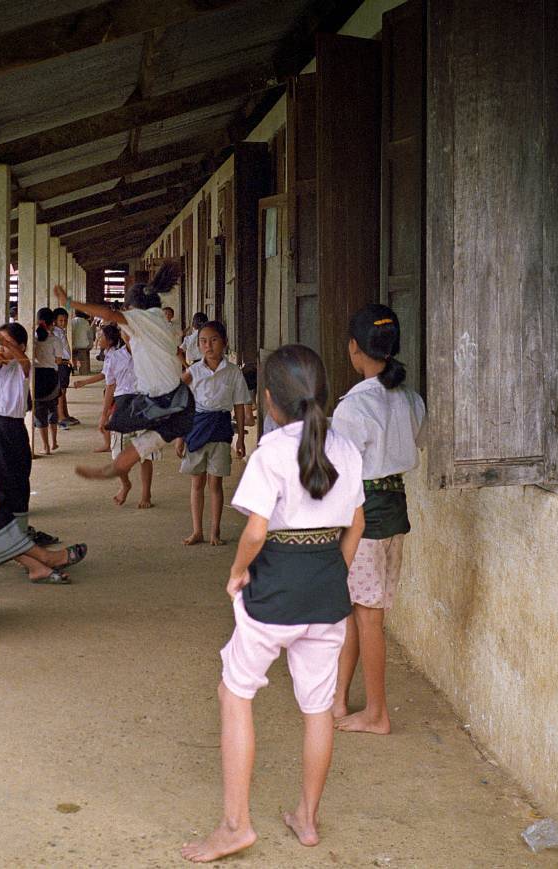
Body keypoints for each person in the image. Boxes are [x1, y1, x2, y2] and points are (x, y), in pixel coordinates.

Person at [180, 344, 366, 864]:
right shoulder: (347, 449)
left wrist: (237, 571)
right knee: (317, 708)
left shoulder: (270, 453)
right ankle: (307, 819)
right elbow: (357, 523)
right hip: (327, 594)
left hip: (272, 594)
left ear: (269, 402)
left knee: (235, 693)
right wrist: (336, 571)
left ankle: (236, 824)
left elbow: (257, 531)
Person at [330, 305, 426, 735]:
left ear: (354, 348)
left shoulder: (353, 407)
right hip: (395, 512)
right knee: (360, 609)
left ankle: (376, 713)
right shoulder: (410, 398)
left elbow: (342, 472)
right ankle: (337, 700)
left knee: (367, 616)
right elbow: (418, 441)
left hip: (363, 518)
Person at [55, 262, 194, 483]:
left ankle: (116, 466)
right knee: (146, 441)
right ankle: (115, 468)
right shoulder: (159, 323)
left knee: (121, 422)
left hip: (160, 399)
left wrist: (70, 303)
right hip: (180, 401)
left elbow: (108, 313)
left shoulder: (142, 319)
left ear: (133, 308)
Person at [0, 323, 87, 583]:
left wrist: (8, 346)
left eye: (6, 343)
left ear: (19, 346)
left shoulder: (20, 367)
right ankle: (18, 551)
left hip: (13, 430)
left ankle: (23, 547)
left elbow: (24, 361)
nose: (0, 348)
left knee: (17, 485)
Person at [178, 321, 252, 546]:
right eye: (203, 341)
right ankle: (197, 530)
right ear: (198, 345)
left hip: (220, 429)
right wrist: (180, 436)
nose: (208, 345)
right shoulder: (193, 371)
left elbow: (239, 405)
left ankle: (215, 531)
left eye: (213, 340)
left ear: (225, 343)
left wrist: (240, 437)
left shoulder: (233, 373)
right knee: (197, 482)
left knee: (215, 484)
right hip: (196, 428)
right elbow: (182, 402)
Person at [75, 325, 157, 508]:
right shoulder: (114, 357)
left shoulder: (149, 355)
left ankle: (146, 494)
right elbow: (110, 386)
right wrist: (104, 415)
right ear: (121, 334)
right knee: (118, 455)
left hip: (145, 406)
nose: (129, 335)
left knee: (146, 454)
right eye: (125, 331)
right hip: (121, 406)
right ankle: (125, 484)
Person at [70, 325, 119, 453]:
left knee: (107, 419)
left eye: (101, 335)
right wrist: (84, 382)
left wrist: (104, 413)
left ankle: (114, 445)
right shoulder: (109, 354)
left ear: (110, 340)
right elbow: (104, 374)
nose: (98, 338)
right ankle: (109, 444)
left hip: (117, 393)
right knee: (107, 420)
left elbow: (110, 384)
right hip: (113, 392)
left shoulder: (114, 356)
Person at [31, 307, 61, 454]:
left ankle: (45, 446)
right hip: (51, 378)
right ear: (52, 323)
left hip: (36, 378)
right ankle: (54, 441)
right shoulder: (55, 340)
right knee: (53, 411)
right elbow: (59, 359)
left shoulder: (33, 340)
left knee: (40, 413)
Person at [52, 307, 78, 427]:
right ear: (55, 321)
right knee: (60, 391)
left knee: (64, 390)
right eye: (61, 320)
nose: (63, 323)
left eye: (65, 320)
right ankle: (60, 416)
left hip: (65, 363)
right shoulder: (55, 332)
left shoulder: (61, 332)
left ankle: (65, 414)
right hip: (60, 363)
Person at [70, 310, 94, 375]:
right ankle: (83, 371)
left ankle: (73, 368)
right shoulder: (85, 322)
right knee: (83, 356)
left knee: (73, 355)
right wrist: (90, 344)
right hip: (83, 345)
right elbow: (90, 334)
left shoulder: (71, 321)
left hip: (72, 345)